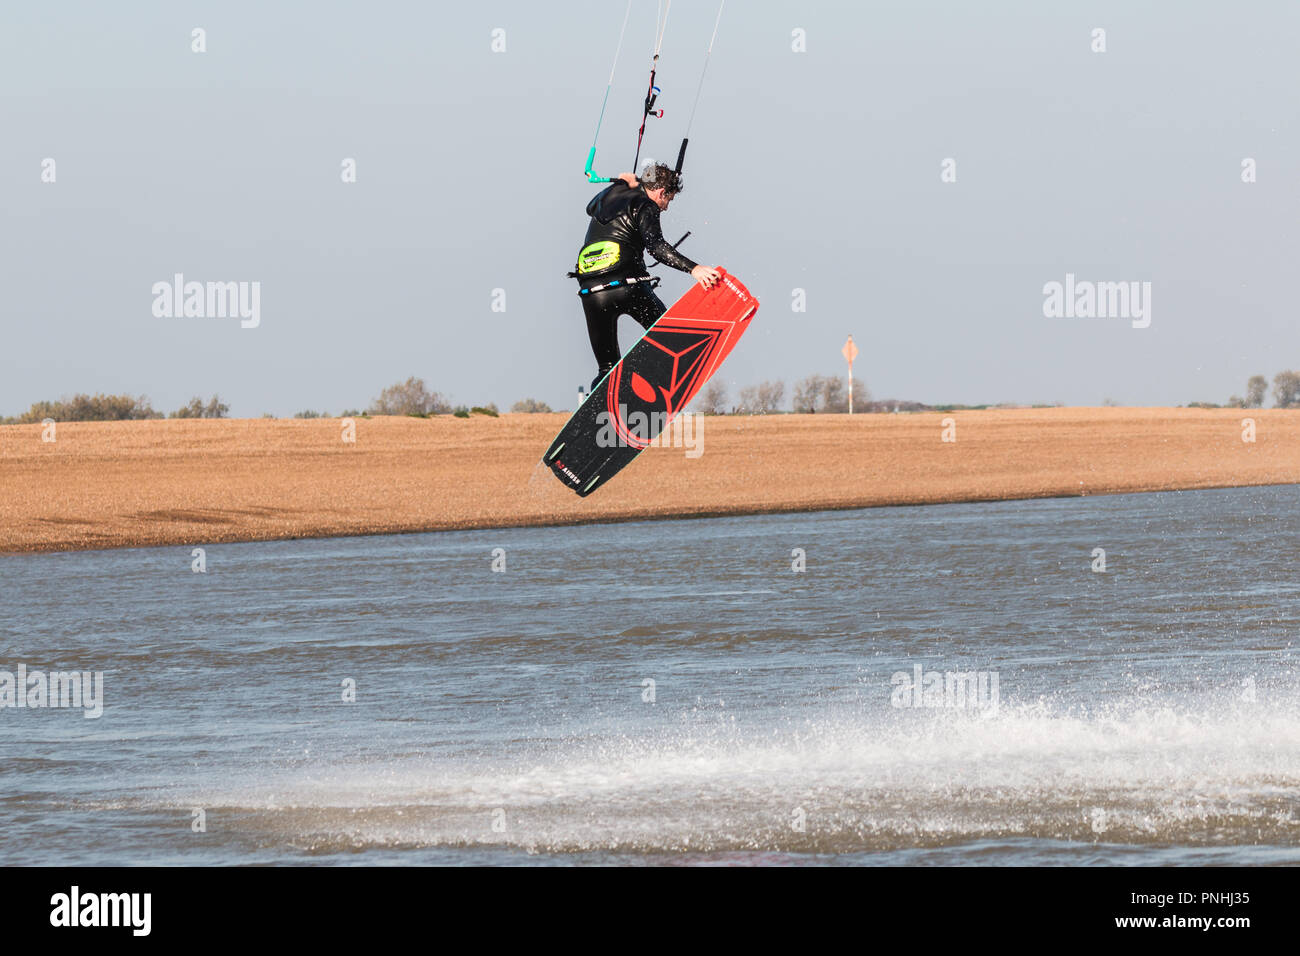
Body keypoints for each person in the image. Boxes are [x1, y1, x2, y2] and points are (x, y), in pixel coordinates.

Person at [571, 163, 723, 392]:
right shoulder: (646, 205)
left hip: (592, 293)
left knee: (607, 369)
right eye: (668, 200)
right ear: (661, 192)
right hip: (627, 288)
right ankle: (655, 379)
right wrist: (694, 269)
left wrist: (620, 183)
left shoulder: (609, 196)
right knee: (668, 341)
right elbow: (656, 248)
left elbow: (590, 206)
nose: (666, 207)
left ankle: (605, 398)